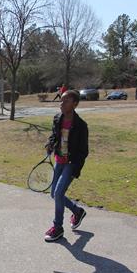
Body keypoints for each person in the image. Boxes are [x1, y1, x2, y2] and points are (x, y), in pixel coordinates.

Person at [44, 90, 89, 242]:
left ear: (75, 104)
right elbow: (54, 136)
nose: (61, 104)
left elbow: (84, 151)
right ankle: (77, 211)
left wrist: (75, 165)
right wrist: (50, 144)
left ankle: (58, 228)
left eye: (65, 101)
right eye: (61, 101)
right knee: (54, 194)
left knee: (57, 193)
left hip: (71, 164)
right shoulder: (57, 119)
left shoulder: (81, 126)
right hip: (59, 160)